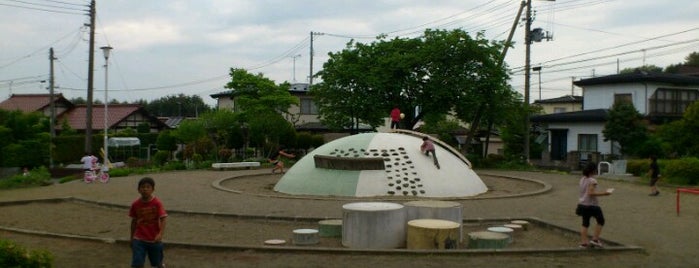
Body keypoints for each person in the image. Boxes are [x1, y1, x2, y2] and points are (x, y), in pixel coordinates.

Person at [129, 177, 167, 268]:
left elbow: (163, 219)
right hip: (139, 238)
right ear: (138, 190)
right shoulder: (135, 204)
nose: (145, 189)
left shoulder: (157, 203)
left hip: (154, 239)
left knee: (156, 263)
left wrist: (160, 234)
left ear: (153, 189)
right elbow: (133, 221)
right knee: (137, 263)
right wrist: (131, 238)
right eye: (142, 187)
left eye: (148, 187)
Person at [576, 162, 612, 248]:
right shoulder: (592, 180)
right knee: (601, 220)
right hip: (591, 205)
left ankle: (584, 243)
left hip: (582, 204)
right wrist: (605, 193)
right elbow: (590, 193)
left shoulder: (582, 179)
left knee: (585, 223)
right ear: (593, 170)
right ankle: (595, 239)